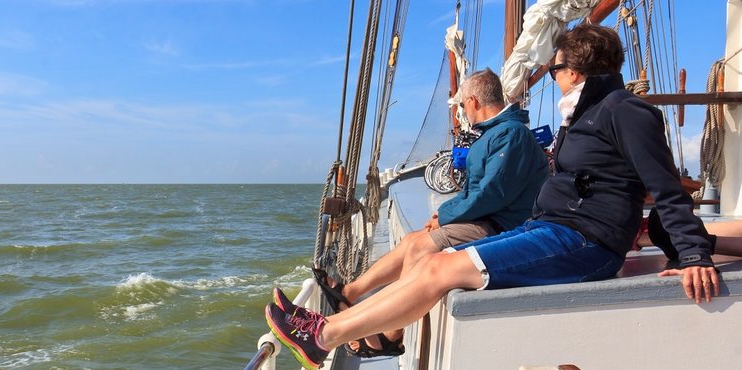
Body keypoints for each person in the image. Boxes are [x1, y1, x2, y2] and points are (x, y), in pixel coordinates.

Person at [266, 24, 718, 370]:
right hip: (555, 230)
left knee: (440, 266)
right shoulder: (587, 114)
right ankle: (349, 327)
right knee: (425, 262)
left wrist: (694, 253)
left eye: (556, 68)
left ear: (574, 70)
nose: (553, 76)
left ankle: (323, 335)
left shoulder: (625, 110)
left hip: (586, 243)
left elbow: (662, 186)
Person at [314, 68, 549, 357]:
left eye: (462, 105)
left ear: (474, 101)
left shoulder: (510, 136)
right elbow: (479, 191)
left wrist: (445, 215)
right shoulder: (496, 134)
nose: (462, 111)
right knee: (412, 240)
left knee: (421, 247)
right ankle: (350, 293)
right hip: (486, 218)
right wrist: (447, 214)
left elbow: (491, 194)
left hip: (501, 227)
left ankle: (390, 335)